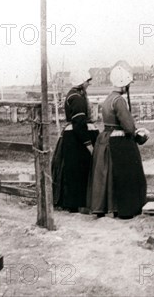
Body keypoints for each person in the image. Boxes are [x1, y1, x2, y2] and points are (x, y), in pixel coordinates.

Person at [87, 65, 150, 219]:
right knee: (129, 175)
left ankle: (110, 208)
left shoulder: (108, 99)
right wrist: (139, 133)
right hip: (121, 140)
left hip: (107, 137)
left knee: (108, 176)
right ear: (124, 84)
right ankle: (128, 209)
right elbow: (128, 126)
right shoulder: (119, 100)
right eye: (128, 84)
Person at [52, 72, 99, 212]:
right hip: (76, 140)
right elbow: (79, 123)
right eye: (87, 81)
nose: (89, 83)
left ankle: (74, 204)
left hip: (73, 137)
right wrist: (88, 144)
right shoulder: (77, 98)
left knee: (73, 171)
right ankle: (76, 205)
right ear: (81, 82)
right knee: (78, 172)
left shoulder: (74, 95)